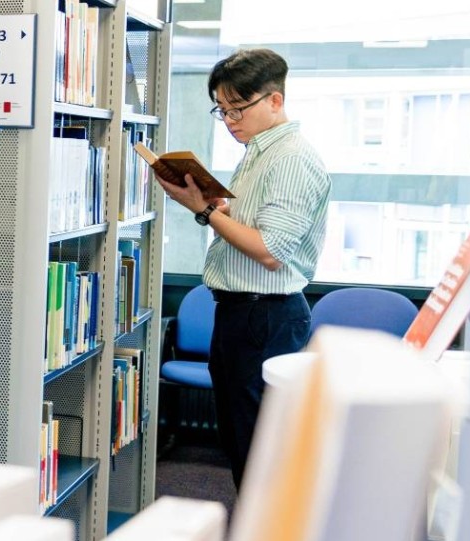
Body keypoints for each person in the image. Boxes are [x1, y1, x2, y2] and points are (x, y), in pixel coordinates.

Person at [157, 48, 329, 486]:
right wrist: (215, 206)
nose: (231, 120)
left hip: (265, 315)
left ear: (275, 100)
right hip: (240, 312)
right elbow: (252, 227)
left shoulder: (290, 158)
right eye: (223, 110)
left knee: (258, 451)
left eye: (239, 108)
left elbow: (270, 250)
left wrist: (204, 212)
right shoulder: (258, 151)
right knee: (239, 440)